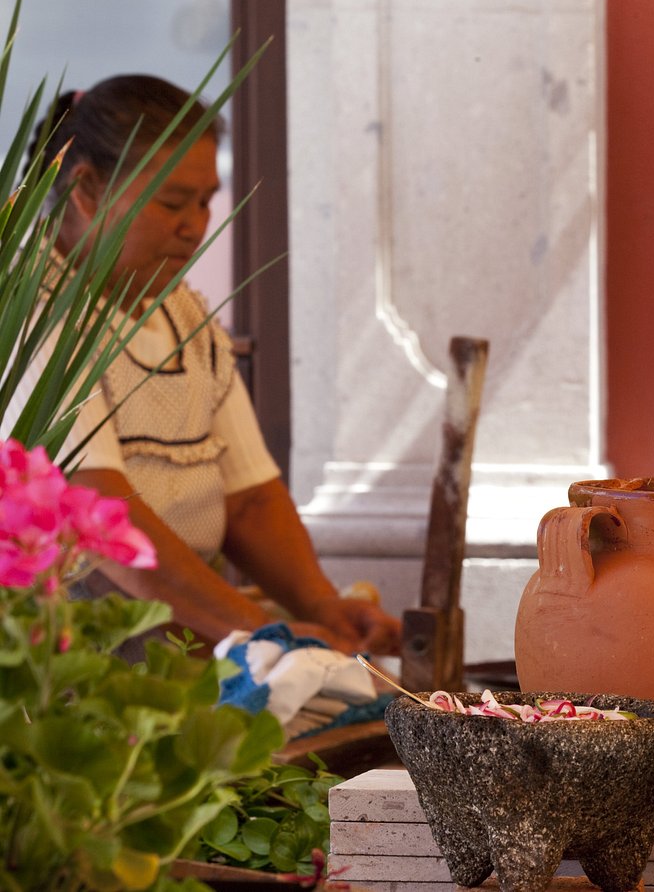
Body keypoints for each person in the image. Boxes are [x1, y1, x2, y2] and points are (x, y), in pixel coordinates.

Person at [13, 74, 400, 655]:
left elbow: (250, 499)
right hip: (67, 666)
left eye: (205, 201)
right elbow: (104, 512)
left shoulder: (184, 314)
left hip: (185, 645)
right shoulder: (28, 311)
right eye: (171, 202)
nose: (195, 226)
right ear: (86, 188)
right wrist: (262, 632)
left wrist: (322, 608)